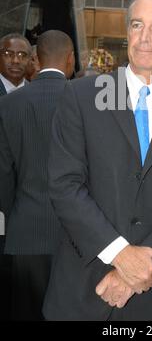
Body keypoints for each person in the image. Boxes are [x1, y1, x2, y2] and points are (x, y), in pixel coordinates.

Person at [43, 0, 152, 321]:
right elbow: (65, 185)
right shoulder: (80, 97)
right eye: (137, 25)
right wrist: (119, 253)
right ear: (127, 33)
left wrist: (131, 274)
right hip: (82, 288)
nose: (144, 38)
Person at [0, 30, 75, 320]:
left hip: (24, 232)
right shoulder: (86, 102)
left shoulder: (7, 105)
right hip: (76, 236)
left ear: (35, 60)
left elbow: (4, 176)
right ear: (70, 59)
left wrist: (12, 215)